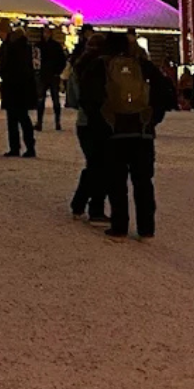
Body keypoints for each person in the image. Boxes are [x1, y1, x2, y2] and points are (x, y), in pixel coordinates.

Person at [80, 34, 176, 240]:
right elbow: (166, 94)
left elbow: (88, 99)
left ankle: (119, 226)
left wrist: (103, 125)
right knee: (143, 181)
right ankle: (146, 228)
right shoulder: (143, 65)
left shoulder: (100, 66)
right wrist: (151, 120)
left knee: (117, 181)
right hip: (142, 132)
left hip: (114, 132)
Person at [66, 38, 109, 223]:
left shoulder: (78, 68)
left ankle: (81, 204)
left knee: (94, 163)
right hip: (103, 120)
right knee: (101, 164)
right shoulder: (106, 67)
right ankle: (92, 206)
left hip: (84, 121)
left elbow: (73, 98)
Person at [0, 21, 37, 157]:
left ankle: (20, 147)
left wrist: (0, 71)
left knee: (17, 118)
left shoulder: (12, 46)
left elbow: (11, 67)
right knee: (19, 118)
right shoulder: (20, 46)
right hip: (18, 87)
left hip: (15, 87)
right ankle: (23, 147)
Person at [37, 32, 68, 130]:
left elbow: (62, 60)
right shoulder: (42, 46)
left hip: (50, 75)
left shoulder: (50, 46)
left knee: (53, 99)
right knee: (42, 99)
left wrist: (57, 71)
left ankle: (56, 122)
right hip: (45, 74)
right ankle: (41, 122)